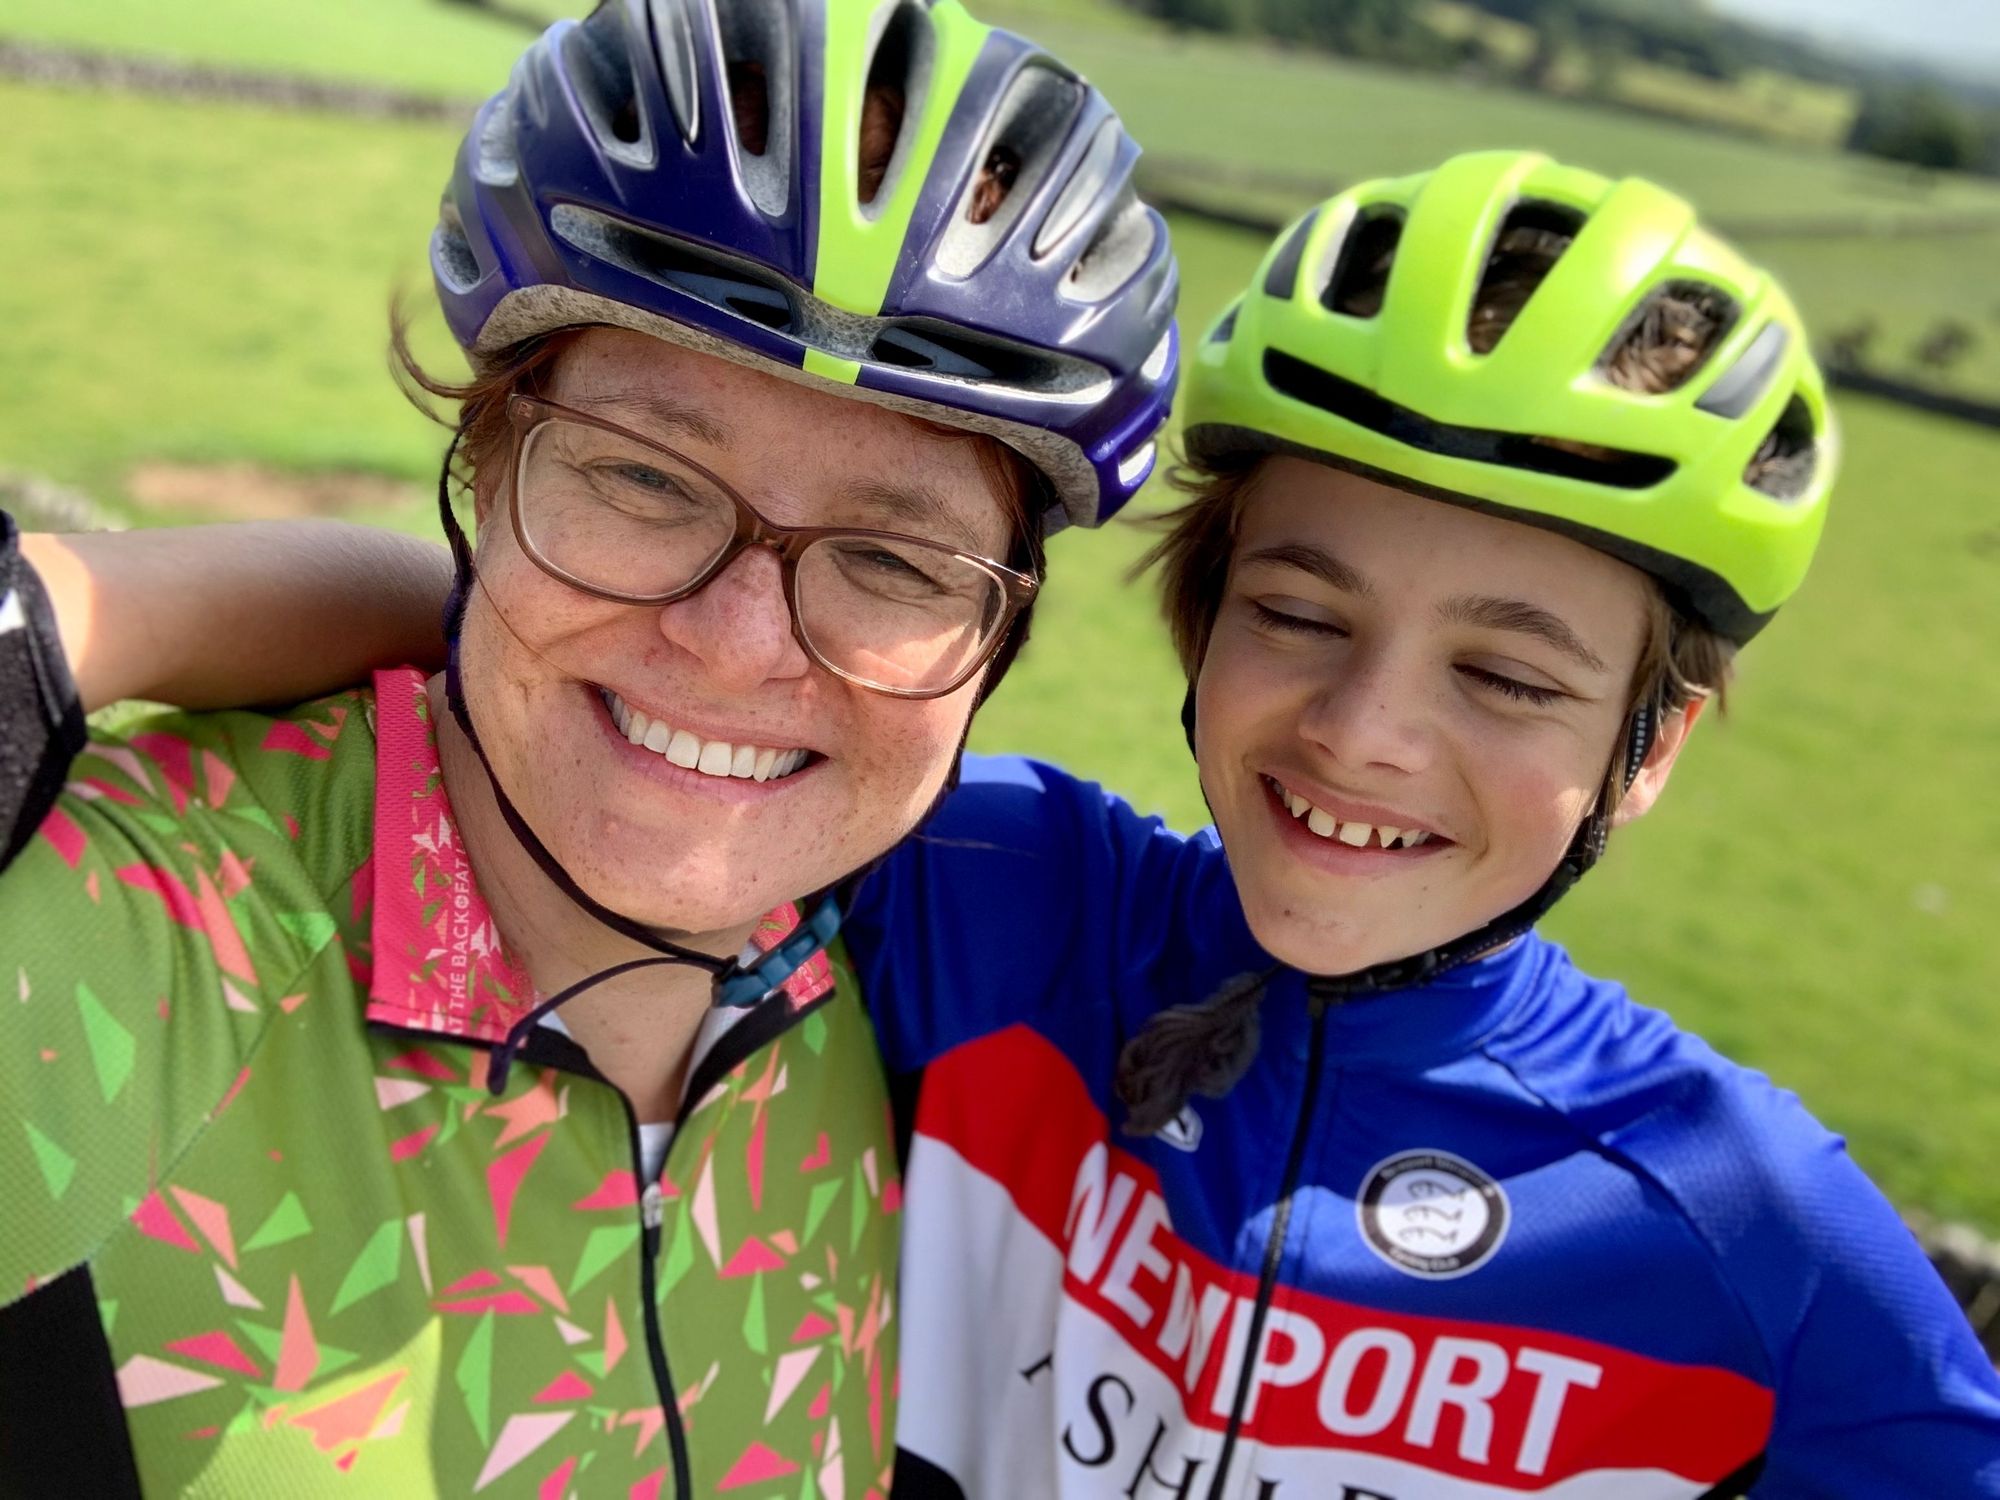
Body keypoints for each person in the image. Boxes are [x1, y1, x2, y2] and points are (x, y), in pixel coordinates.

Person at [16, 153, 2000, 1495]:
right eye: (1295, 615)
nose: (1369, 736)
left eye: (1511, 679)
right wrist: (71, 619)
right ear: (1192, 623)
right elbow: (647, 696)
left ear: (1650, 746)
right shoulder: (987, 896)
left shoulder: (1739, 1220)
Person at [0, 1, 1176, 1494]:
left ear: (993, 644)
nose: (740, 643)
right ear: (483, 464)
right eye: (639, 476)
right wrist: (66, 620)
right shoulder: (115, 954)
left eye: (894, 562)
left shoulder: (916, 1001)